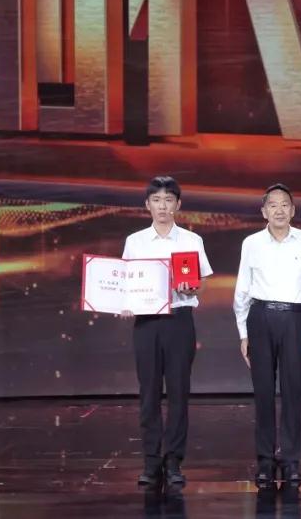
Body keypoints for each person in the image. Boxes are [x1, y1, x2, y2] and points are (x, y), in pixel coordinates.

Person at [120, 176, 213, 487]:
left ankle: (173, 461)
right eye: (157, 200)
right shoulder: (135, 241)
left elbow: (201, 281)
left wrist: (192, 286)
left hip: (179, 320)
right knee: (148, 393)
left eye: (168, 200)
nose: (163, 206)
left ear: (178, 205)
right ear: (147, 205)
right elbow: (125, 281)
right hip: (146, 323)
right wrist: (125, 302)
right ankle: (151, 461)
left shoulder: (191, 240)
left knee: (178, 393)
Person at [232, 183, 301, 487]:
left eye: (285, 204)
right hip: (260, 318)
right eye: (273, 205)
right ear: (264, 212)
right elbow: (242, 289)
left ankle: (291, 461)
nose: (279, 210)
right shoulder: (251, 243)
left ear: (293, 210)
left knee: (292, 392)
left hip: (295, 319)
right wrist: (243, 332)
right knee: (263, 393)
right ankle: (265, 461)